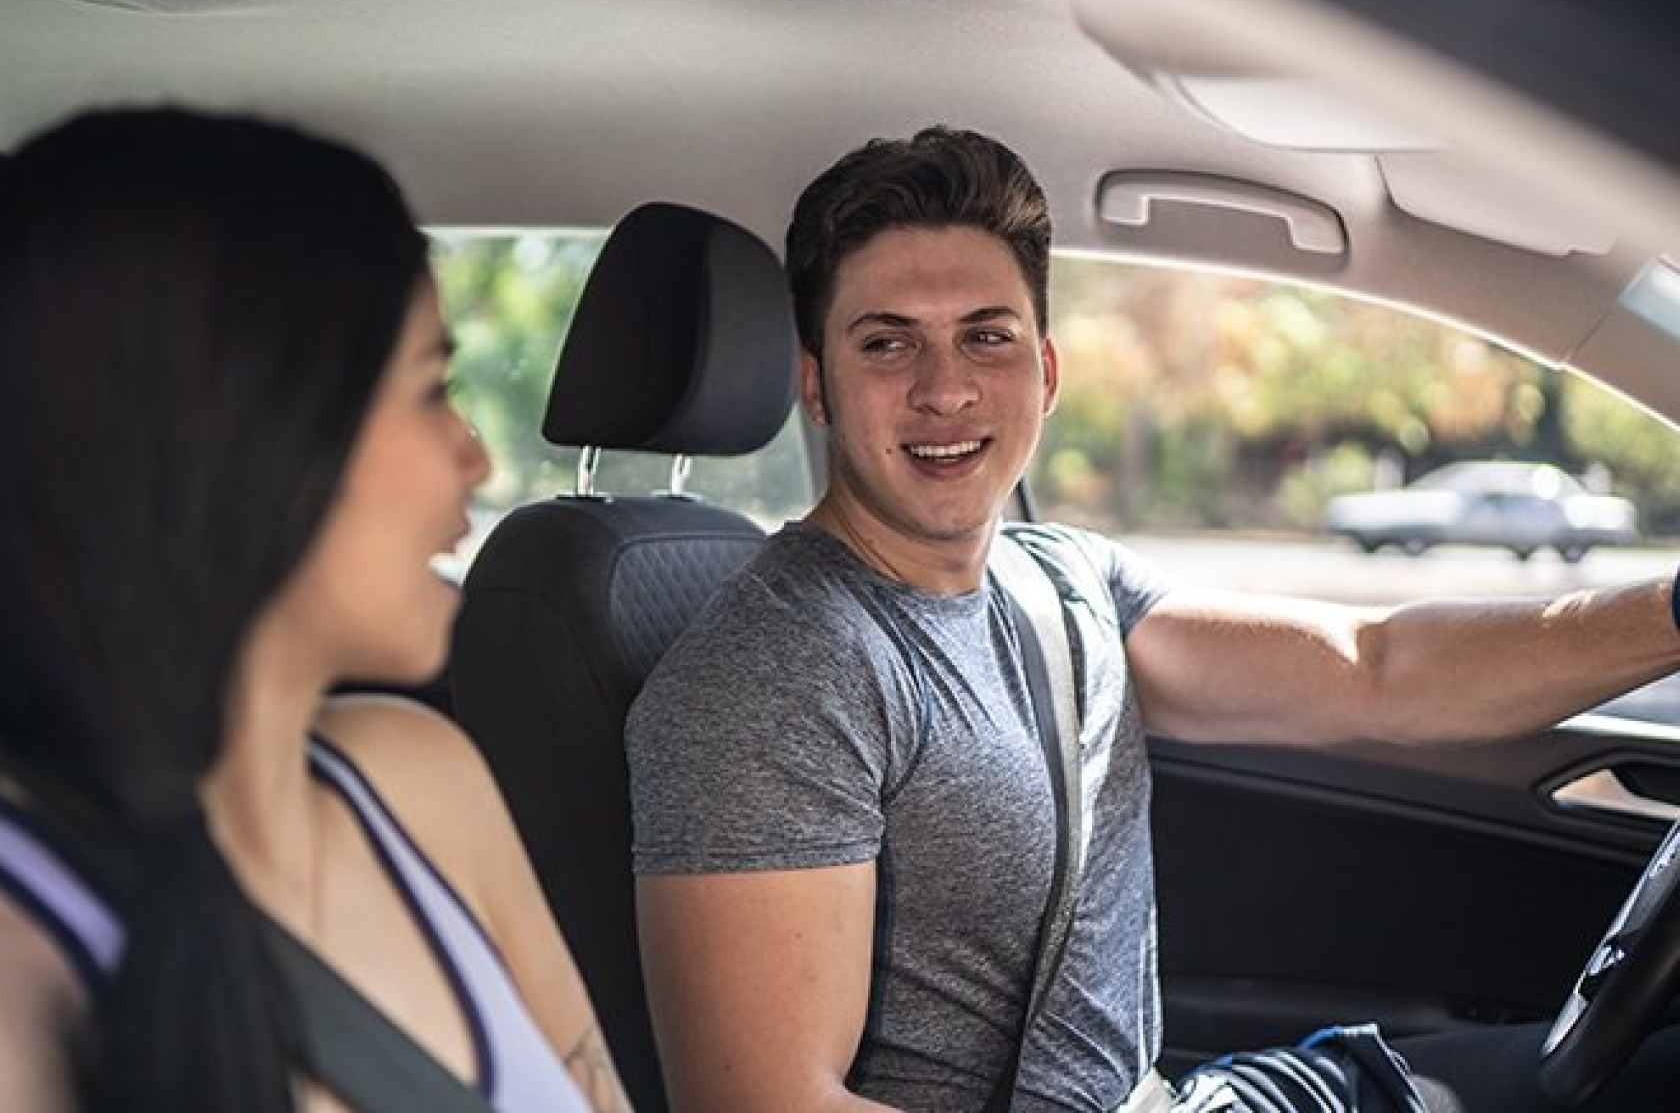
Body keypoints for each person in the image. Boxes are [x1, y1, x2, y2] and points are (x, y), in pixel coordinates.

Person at [624, 126, 1680, 1112]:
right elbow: (769, 1105)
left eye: (985, 337)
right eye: (888, 344)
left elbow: (1376, 668)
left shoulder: (1062, 580)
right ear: (816, 385)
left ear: (1044, 373)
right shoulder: (773, 673)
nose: (945, 389)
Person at [0, 108, 632, 1113]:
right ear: (247, 441)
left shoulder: (422, 782)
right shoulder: (25, 979)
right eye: (432, 387)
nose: (475, 457)